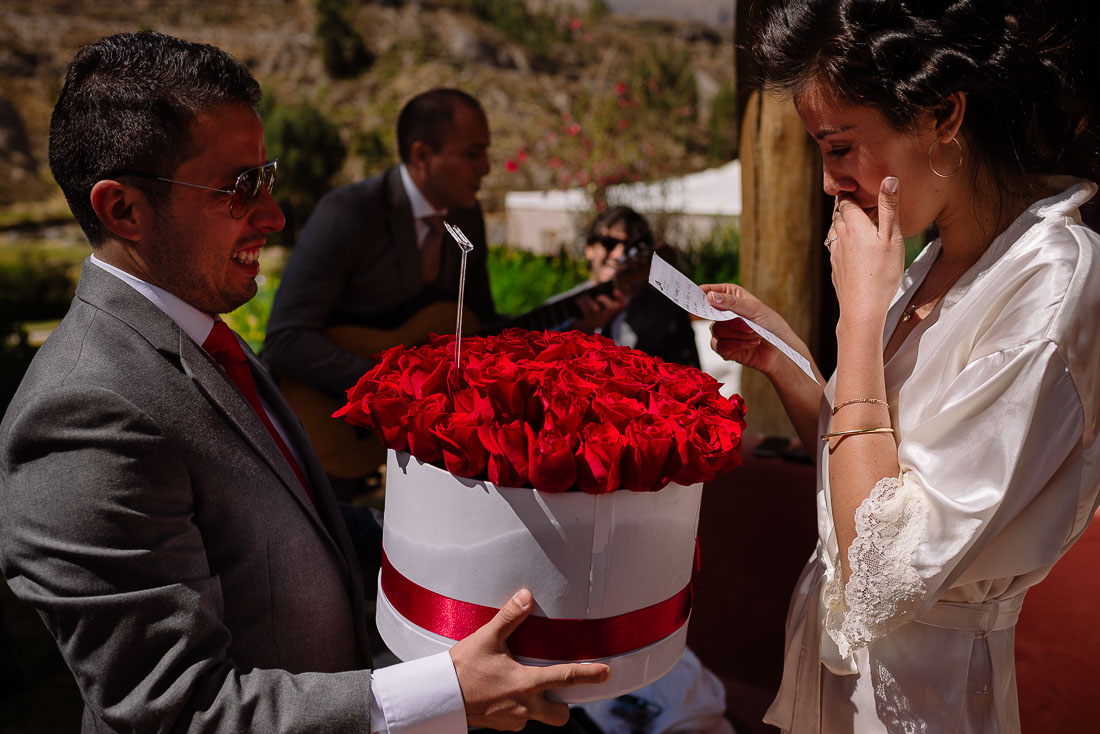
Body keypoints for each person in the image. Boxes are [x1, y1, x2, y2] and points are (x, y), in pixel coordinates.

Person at [0, 31, 607, 733]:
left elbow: (302, 522)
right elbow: (178, 710)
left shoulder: (196, 330)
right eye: (238, 187)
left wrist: (475, 540)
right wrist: (446, 694)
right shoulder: (79, 416)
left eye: (267, 175)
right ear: (123, 210)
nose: (274, 215)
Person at [702, 1, 1100, 731]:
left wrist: (858, 320)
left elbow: (881, 572)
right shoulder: (938, 257)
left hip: (927, 700)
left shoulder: (1048, 288)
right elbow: (874, 478)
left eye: (839, 146)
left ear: (943, 115)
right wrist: (786, 357)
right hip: (838, 687)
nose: (828, 181)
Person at [261, 88, 497, 486]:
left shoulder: (468, 218)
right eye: (473, 154)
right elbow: (285, 339)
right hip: (321, 429)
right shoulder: (348, 213)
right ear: (422, 155)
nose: (487, 168)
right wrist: (391, 388)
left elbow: (482, 325)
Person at [551, 206, 700, 368]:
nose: (619, 254)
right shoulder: (556, 311)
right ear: (589, 249)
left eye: (631, 247)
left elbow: (691, 379)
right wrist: (580, 331)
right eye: (609, 244)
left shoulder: (667, 312)